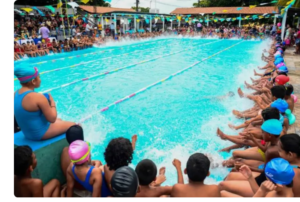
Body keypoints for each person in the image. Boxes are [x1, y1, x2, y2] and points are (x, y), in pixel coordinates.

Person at [14, 66, 76, 140]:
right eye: (39, 77)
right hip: (40, 134)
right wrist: (52, 103)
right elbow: (52, 119)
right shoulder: (38, 97)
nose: (40, 80)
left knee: (60, 120)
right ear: (33, 81)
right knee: (75, 126)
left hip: (27, 134)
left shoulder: (15, 94)